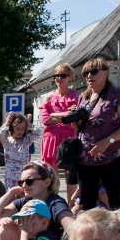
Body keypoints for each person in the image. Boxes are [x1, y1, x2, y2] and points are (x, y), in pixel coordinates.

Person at [67, 58, 120, 211]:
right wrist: (73, 119)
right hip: (86, 158)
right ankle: (88, 234)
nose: (89, 75)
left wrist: (108, 141)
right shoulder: (83, 97)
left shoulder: (116, 94)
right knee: (85, 203)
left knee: (116, 201)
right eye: (86, 73)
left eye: (94, 71)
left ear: (105, 73)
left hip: (113, 156)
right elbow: (79, 129)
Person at [0, 162, 74, 240]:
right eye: (21, 182)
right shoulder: (25, 201)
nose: (24, 186)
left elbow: (72, 226)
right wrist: (11, 192)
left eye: (29, 181)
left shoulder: (55, 202)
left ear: (47, 182)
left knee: (7, 230)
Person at [39, 62, 79, 202]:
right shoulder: (48, 98)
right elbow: (44, 119)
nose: (59, 78)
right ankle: (54, 204)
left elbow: (76, 117)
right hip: (51, 139)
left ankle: (71, 206)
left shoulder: (76, 96)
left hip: (69, 139)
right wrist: (65, 115)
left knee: (71, 177)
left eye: (63, 75)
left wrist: (56, 116)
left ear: (70, 78)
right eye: (56, 76)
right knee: (52, 177)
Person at [0, 111, 39, 189]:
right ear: (12, 128)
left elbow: (37, 133)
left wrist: (28, 123)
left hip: (24, 170)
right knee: (11, 192)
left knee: (24, 191)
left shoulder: (26, 140)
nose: (21, 131)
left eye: (23, 129)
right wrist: (7, 122)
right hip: (10, 172)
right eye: (18, 129)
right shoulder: (7, 141)